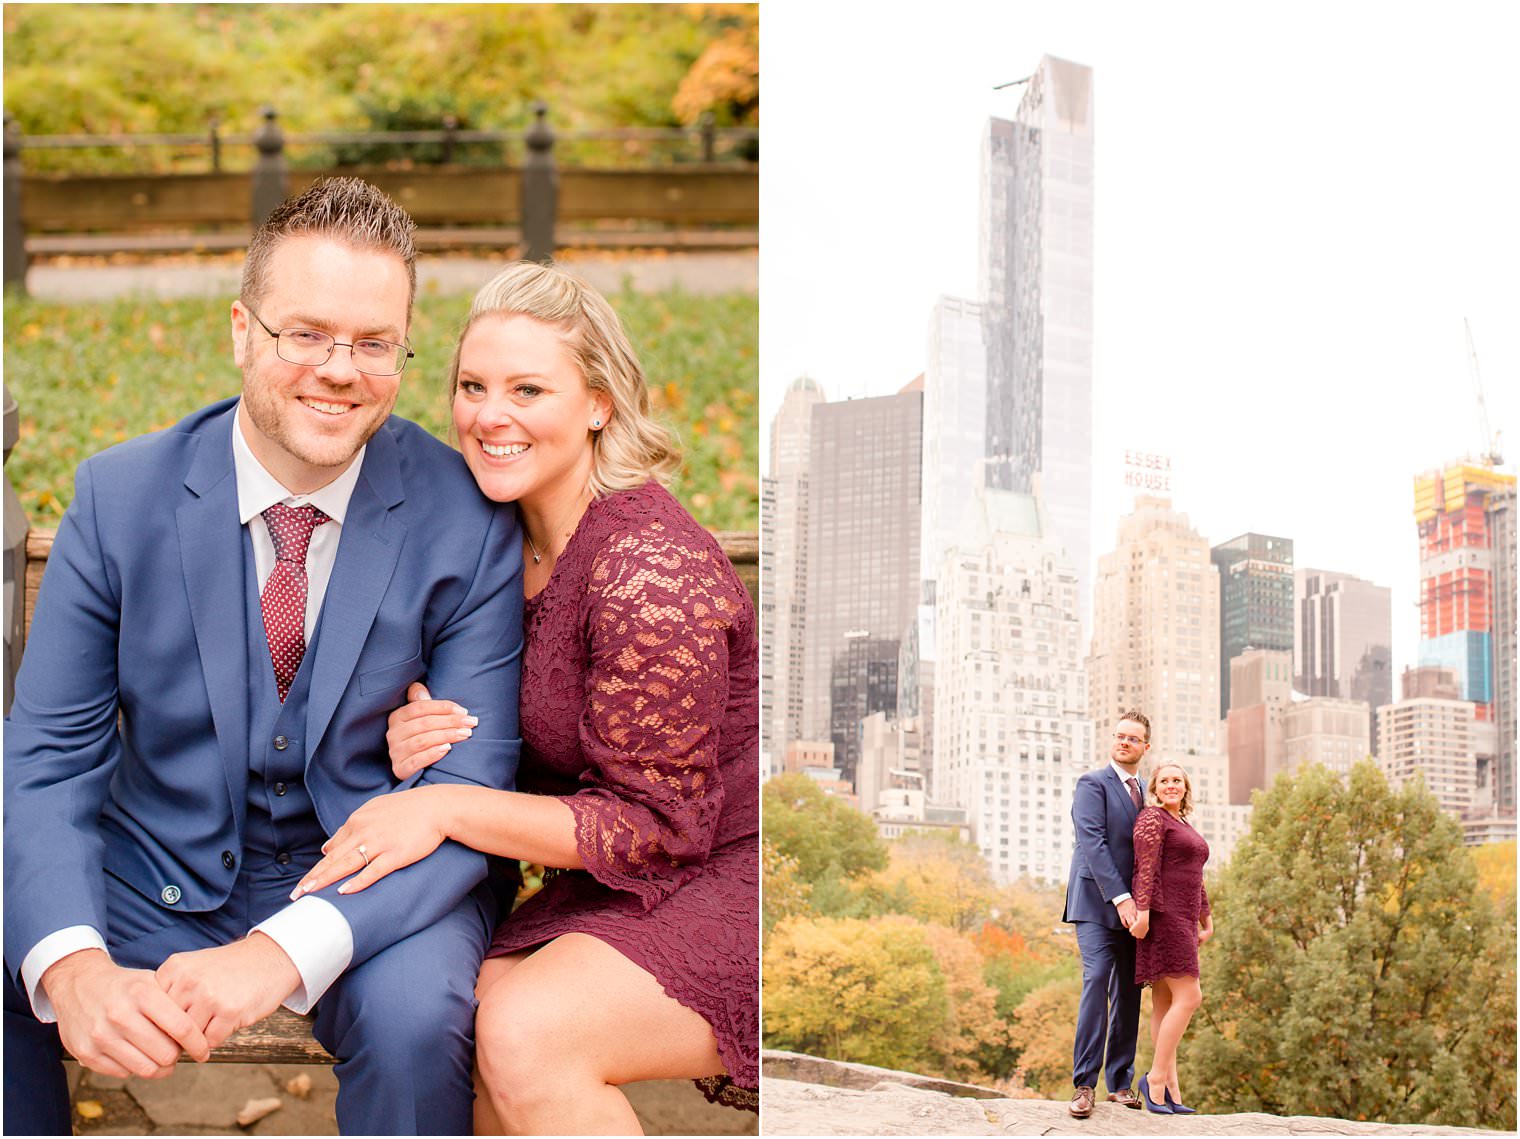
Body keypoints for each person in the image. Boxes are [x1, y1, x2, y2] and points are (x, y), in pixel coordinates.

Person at [3, 178, 525, 1136]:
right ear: (242, 330)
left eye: (374, 343)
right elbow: (47, 759)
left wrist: (280, 952)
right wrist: (74, 968)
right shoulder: (120, 499)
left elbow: (472, 777)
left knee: (419, 1021)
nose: (339, 368)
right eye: (306, 333)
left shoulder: (469, 520)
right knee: (15, 956)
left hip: (380, 879)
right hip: (153, 868)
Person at [294, 260, 759, 1132]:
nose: (489, 416)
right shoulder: (495, 535)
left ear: (598, 404)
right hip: (614, 884)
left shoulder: (646, 571)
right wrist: (423, 730)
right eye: (472, 385)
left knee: (527, 1030)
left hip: (732, 877)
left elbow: (659, 828)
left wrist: (448, 807)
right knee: (483, 1009)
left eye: (528, 388)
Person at [1062, 709, 1152, 1118]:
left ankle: (1119, 1083)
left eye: (1133, 739)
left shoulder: (1147, 792)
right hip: (1097, 904)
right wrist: (1121, 898)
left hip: (1136, 912)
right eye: (1119, 736)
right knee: (1097, 978)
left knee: (1130, 991)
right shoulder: (1092, 784)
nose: (1124, 742)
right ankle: (1084, 1085)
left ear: (1145, 747)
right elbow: (1093, 844)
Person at [1129, 761, 1212, 1114]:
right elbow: (1145, 868)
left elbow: (1195, 876)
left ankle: (1171, 1091)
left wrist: (1206, 917)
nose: (1171, 785)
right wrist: (1143, 913)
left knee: (1164, 1003)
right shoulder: (1153, 819)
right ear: (1155, 787)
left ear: (1185, 787)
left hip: (1185, 916)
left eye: (1177, 780)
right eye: (1164, 780)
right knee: (1190, 997)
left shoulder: (1182, 823)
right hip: (1164, 918)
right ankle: (1155, 1079)